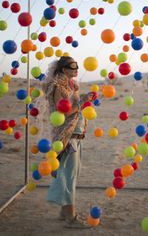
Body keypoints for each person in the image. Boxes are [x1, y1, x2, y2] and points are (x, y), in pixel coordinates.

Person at [42, 56, 93, 229]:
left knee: (69, 173)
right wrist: (83, 103)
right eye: (73, 65)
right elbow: (61, 112)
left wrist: (83, 99)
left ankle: (64, 212)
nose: (77, 68)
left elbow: (73, 106)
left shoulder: (69, 86)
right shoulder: (59, 87)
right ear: (64, 69)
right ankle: (71, 217)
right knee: (69, 175)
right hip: (67, 137)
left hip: (75, 135)